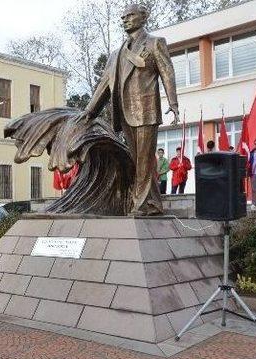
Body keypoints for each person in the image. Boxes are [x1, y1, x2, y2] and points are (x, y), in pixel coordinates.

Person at [85, 3, 179, 215]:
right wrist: (89, 112)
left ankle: (140, 205)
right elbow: (104, 85)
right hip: (125, 113)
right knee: (138, 160)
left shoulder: (155, 43)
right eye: (123, 17)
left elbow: (167, 73)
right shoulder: (116, 54)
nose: (125, 19)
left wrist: (173, 104)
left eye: (130, 15)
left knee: (145, 160)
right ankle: (153, 204)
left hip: (146, 110)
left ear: (143, 18)